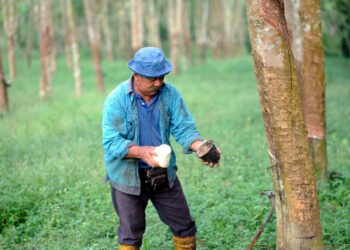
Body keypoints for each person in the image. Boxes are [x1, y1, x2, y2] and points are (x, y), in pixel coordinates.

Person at [102, 47, 221, 250]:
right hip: (127, 176)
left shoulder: (170, 94)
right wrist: (141, 152)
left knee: (185, 227)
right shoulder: (117, 99)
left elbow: (184, 128)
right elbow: (111, 142)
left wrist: (200, 146)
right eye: (152, 78)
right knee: (130, 234)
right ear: (136, 75)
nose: (159, 83)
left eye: (162, 77)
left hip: (163, 173)